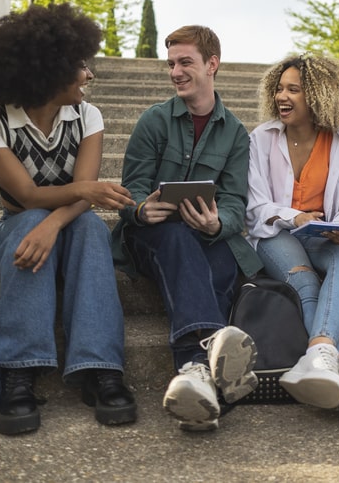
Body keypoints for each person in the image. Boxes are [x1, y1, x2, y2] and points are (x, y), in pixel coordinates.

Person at [0, 3, 137, 435]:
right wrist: (79, 194)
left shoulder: (87, 116)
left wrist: (56, 221)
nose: (89, 75)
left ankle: (101, 368)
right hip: (13, 230)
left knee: (89, 227)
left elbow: (85, 199)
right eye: (81, 66)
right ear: (48, 71)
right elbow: (24, 195)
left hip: (68, 228)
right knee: (28, 222)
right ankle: (19, 372)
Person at [111, 25, 262, 432]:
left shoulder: (235, 133)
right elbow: (132, 189)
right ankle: (207, 355)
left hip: (206, 237)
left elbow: (234, 203)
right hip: (154, 236)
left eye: (185, 62)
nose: (175, 72)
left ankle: (199, 386)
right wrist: (141, 209)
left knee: (223, 257)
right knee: (178, 238)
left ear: (212, 65)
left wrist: (218, 222)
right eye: (171, 64)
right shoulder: (154, 121)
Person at [246, 54, 339, 420]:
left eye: (294, 89)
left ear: (319, 96)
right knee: (305, 280)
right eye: (279, 88)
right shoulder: (261, 138)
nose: (282, 96)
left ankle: (319, 358)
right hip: (275, 233)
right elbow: (257, 208)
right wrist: (297, 216)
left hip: (322, 235)